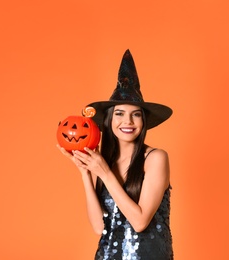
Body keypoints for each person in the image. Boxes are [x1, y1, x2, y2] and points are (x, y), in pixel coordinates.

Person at [57, 49, 174, 259]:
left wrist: (105, 173)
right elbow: (98, 227)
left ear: (143, 122)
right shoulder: (105, 163)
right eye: (119, 114)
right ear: (109, 121)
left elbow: (139, 222)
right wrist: (85, 173)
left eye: (135, 115)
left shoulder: (155, 158)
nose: (127, 122)